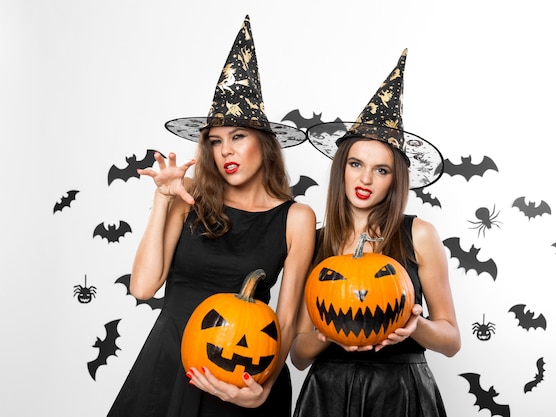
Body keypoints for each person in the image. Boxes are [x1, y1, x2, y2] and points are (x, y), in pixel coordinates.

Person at [107, 15, 316, 417]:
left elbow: (287, 320)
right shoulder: (189, 201)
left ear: (264, 143)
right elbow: (143, 288)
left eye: (238, 137)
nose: (226, 151)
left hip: (242, 375)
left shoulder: (297, 218)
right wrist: (163, 199)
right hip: (169, 364)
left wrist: (263, 389)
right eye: (216, 141)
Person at [290, 49, 461, 417]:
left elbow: (451, 341)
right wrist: (327, 337)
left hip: (402, 392)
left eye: (381, 170)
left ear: (395, 180)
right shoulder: (316, 242)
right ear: (342, 169)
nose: (366, 179)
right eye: (356, 164)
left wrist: (415, 325)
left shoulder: (419, 234)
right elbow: (299, 354)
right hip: (329, 392)